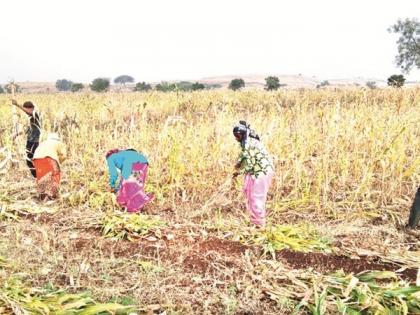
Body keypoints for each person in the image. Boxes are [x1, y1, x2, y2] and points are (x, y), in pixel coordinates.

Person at [233, 121, 274, 226]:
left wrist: (238, 172)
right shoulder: (248, 142)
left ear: (242, 134)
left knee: (256, 198)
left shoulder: (249, 143)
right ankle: (255, 221)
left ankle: (259, 225)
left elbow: (250, 164)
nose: (236, 138)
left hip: (261, 172)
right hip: (256, 172)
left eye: (237, 136)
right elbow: (244, 156)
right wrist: (238, 164)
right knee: (251, 196)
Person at [11, 100, 41, 177]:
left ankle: (38, 176)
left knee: (31, 160)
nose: (25, 112)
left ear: (30, 108)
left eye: (26, 109)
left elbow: (28, 112)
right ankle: (37, 176)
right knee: (30, 160)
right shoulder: (31, 119)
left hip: (34, 142)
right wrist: (16, 134)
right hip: (30, 141)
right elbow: (27, 131)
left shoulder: (35, 115)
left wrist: (17, 105)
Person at [32, 133, 67, 200]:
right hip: (49, 158)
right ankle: (52, 195)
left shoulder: (43, 143)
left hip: (36, 159)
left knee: (42, 177)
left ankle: (42, 195)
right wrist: (59, 162)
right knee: (55, 174)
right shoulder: (58, 143)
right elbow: (63, 155)